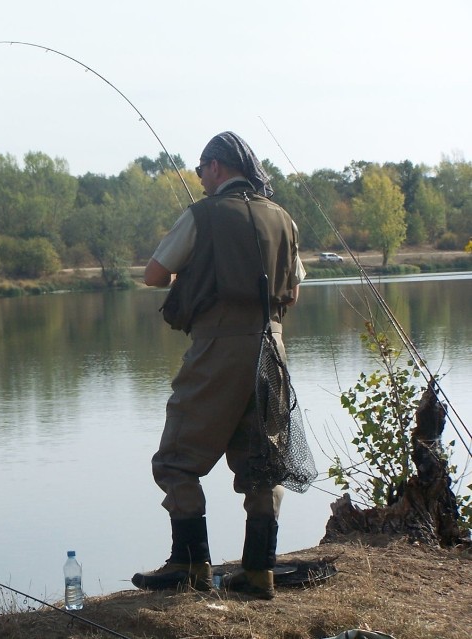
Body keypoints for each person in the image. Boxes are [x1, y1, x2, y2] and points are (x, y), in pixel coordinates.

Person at [132, 132, 305, 600]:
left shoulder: (202, 215)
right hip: (273, 347)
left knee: (175, 459)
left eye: (200, 167)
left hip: (218, 348)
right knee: (263, 460)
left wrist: (194, 271)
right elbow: (295, 287)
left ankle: (190, 565)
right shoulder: (282, 219)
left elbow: (153, 275)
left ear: (217, 167)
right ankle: (258, 570)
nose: (199, 177)